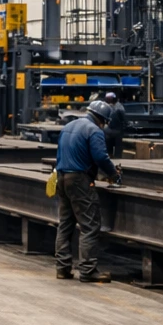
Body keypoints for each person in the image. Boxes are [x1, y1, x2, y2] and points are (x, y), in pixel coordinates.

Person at [54, 101, 121, 283]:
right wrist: (113, 174)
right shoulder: (94, 130)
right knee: (89, 225)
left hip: (61, 176)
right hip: (79, 180)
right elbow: (100, 157)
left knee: (65, 224)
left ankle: (62, 268)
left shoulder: (68, 126)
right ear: (102, 119)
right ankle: (88, 270)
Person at [103, 92, 129, 161]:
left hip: (117, 129)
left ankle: (118, 158)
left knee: (118, 146)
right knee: (109, 145)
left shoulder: (119, 107)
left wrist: (124, 126)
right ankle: (110, 156)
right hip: (109, 130)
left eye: (109, 98)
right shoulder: (107, 106)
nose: (108, 100)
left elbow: (123, 119)